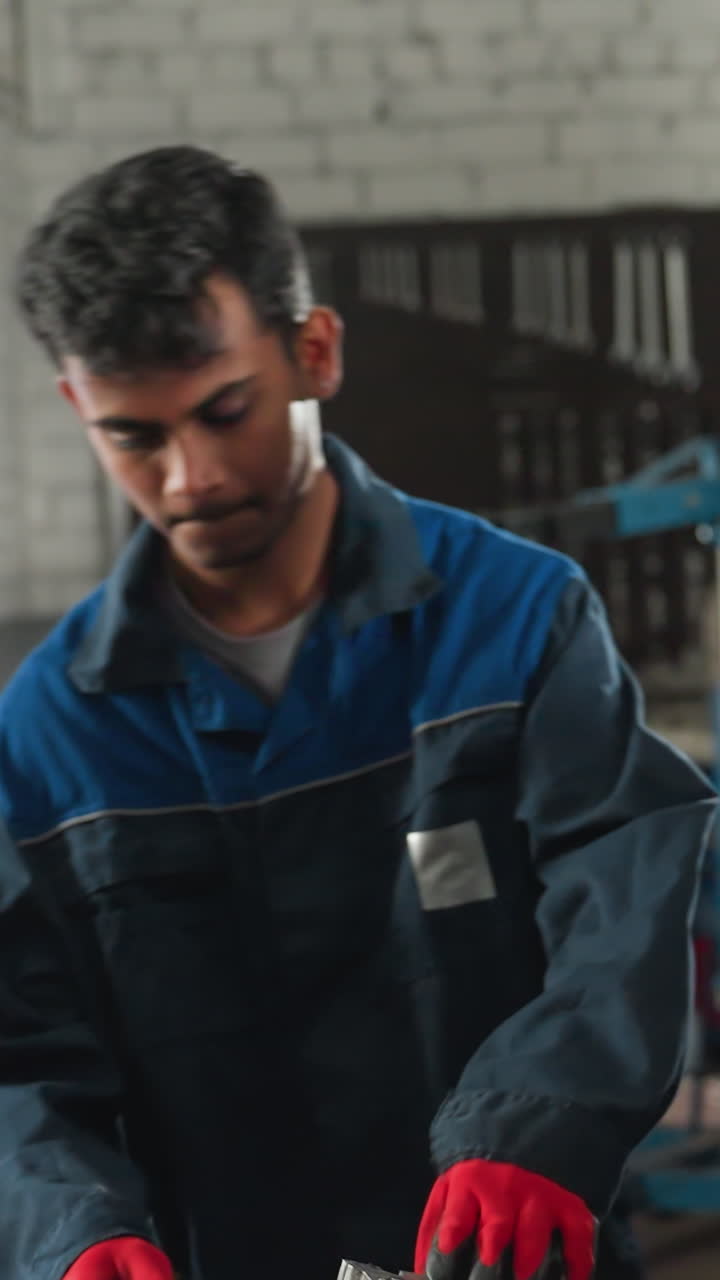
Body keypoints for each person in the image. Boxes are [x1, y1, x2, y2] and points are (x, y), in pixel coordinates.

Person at [0, 145, 714, 1280]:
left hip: (508, 1255)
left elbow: (625, 863)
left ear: (313, 352)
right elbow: (18, 1055)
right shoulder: (49, 736)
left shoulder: (514, 619)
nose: (189, 477)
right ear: (77, 406)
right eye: (134, 435)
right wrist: (72, 1231)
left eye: (223, 409)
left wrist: (543, 1116)